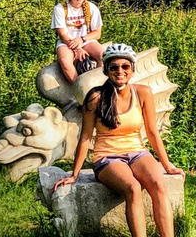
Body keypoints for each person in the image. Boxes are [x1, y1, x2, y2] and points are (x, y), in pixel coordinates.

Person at [52, 43, 185, 236]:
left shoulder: (143, 93)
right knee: (133, 187)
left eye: (125, 66)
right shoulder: (95, 97)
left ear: (132, 69)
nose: (120, 71)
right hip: (107, 157)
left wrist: (167, 166)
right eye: (114, 67)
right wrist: (74, 174)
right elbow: (85, 137)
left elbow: (152, 133)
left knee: (158, 184)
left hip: (138, 152)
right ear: (106, 70)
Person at [51, 0, 104, 83]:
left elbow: (97, 33)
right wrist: (77, 49)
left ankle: (99, 83)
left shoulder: (91, 8)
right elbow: (62, 34)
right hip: (67, 43)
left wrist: (82, 39)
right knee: (64, 61)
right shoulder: (60, 9)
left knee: (103, 55)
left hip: (86, 40)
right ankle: (78, 86)